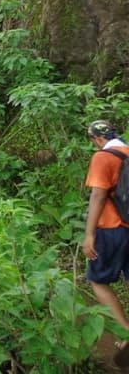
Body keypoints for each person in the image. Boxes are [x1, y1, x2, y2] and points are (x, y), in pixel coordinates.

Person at [83, 119, 129, 364]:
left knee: (97, 281)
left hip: (112, 229)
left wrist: (89, 234)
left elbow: (99, 195)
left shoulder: (103, 157)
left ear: (97, 139)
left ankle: (125, 330)